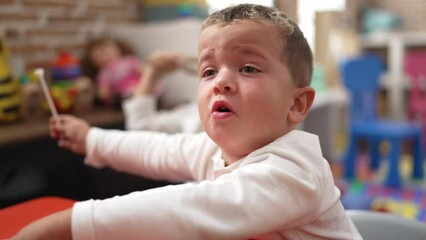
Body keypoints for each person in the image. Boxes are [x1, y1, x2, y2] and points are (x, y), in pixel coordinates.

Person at [13, 4, 362, 240]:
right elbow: (159, 149)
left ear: (297, 103)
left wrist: (65, 225)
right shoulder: (216, 150)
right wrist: (92, 139)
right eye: (208, 71)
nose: (220, 82)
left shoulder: (294, 173)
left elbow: (181, 210)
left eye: (249, 68)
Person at [81, 37, 202, 133]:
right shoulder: (105, 73)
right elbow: (141, 125)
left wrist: (150, 72)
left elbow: (141, 125)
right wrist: (152, 72)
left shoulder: (129, 61)